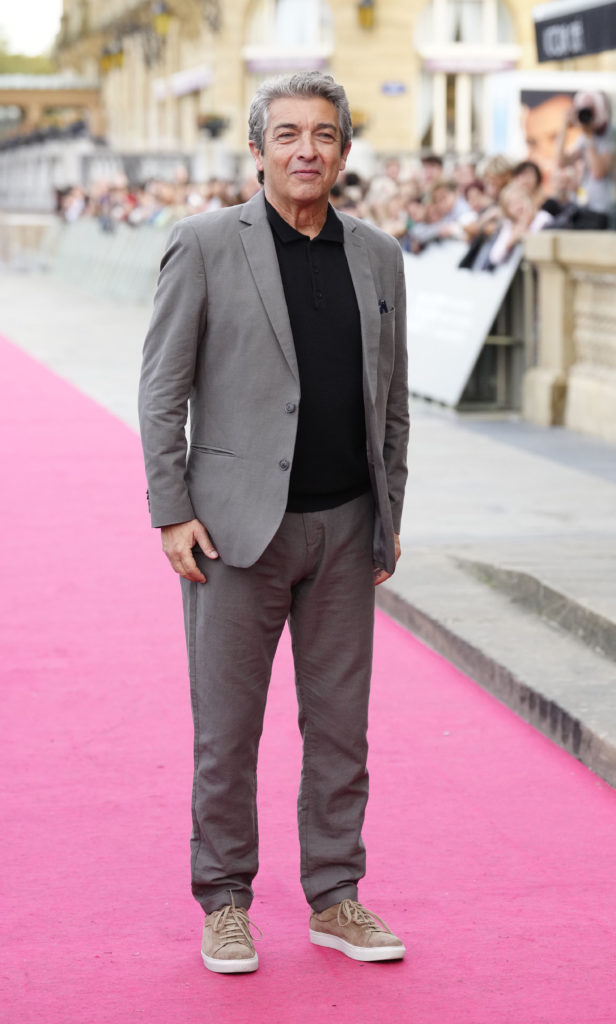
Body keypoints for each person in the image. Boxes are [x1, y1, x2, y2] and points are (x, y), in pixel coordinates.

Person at [138, 71, 409, 974]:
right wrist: (171, 512)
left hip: (346, 529)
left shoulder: (378, 255)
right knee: (228, 733)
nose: (306, 150)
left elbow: (393, 398)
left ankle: (335, 897)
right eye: (287, 134)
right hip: (232, 534)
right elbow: (162, 390)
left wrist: (389, 511)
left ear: (344, 150)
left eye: (324, 135)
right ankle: (224, 902)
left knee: (341, 731)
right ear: (257, 150)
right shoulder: (205, 243)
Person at [554, 90, 615, 218]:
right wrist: (564, 127)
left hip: (603, 210)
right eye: (583, 109)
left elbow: (598, 172)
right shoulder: (585, 136)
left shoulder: (610, 134)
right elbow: (561, 162)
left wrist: (589, 136)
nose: (587, 114)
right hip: (584, 205)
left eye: (591, 109)